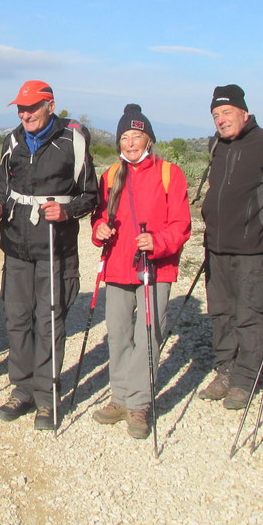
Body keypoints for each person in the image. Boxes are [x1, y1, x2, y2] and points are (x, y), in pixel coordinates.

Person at [0, 81, 97, 430]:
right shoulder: (12, 141)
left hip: (54, 247)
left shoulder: (73, 142)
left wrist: (67, 212)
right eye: (21, 107)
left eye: (32, 107)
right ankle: (21, 391)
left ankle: (47, 399)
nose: (25, 113)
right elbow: (1, 186)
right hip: (16, 245)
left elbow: (91, 195)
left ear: (51, 105)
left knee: (49, 323)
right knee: (17, 320)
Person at [89, 104, 191, 439]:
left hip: (154, 268)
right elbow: (99, 217)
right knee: (118, 334)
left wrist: (157, 241)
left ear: (149, 138)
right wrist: (100, 228)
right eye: (125, 137)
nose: (131, 143)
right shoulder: (111, 175)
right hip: (118, 266)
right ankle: (120, 397)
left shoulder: (169, 173)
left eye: (137, 136)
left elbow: (182, 225)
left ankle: (139, 403)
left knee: (148, 336)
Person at [198, 85, 263, 409]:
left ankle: (245, 379)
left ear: (244, 112)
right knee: (221, 312)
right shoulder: (216, 146)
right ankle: (225, 370)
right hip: (217, 247)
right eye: (215, 115)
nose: (221, 120)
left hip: (254, 248)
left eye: (226, 113)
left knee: (249, 314)